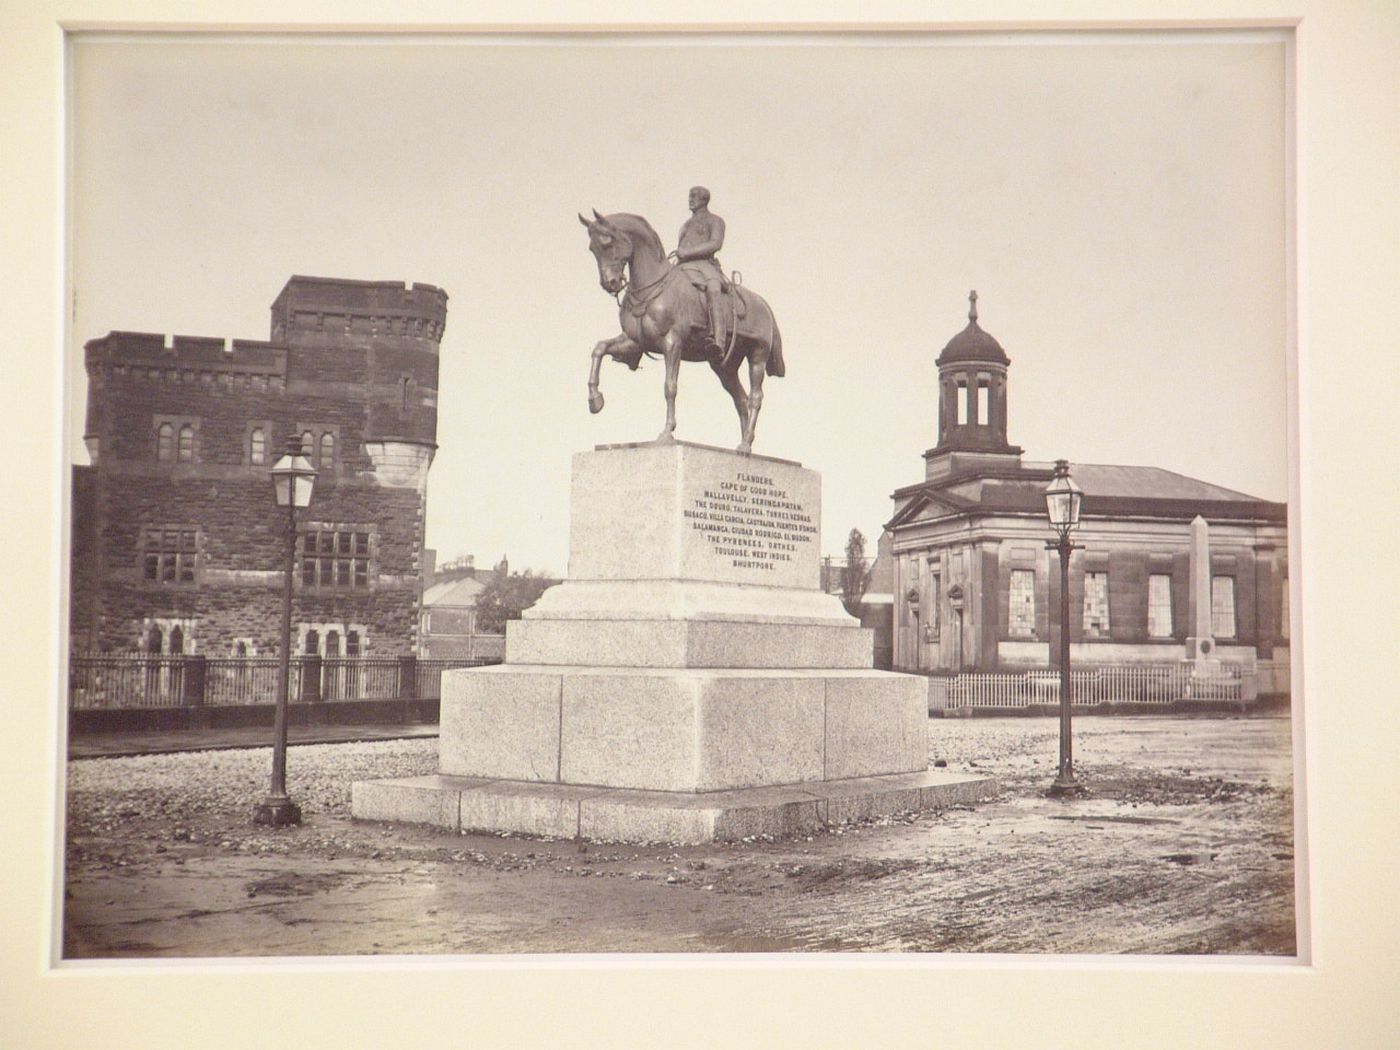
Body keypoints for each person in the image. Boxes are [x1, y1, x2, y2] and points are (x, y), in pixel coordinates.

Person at [675, 186, 729, 352]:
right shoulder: (685, 225)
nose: (690, 200)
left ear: (704, 200)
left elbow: (715, 243)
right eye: (690, 196)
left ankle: (719, 339)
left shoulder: (715, 220)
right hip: (684, 266)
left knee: (713, 289)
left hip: (706, 265)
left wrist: (688, 252)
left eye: (694, 196)